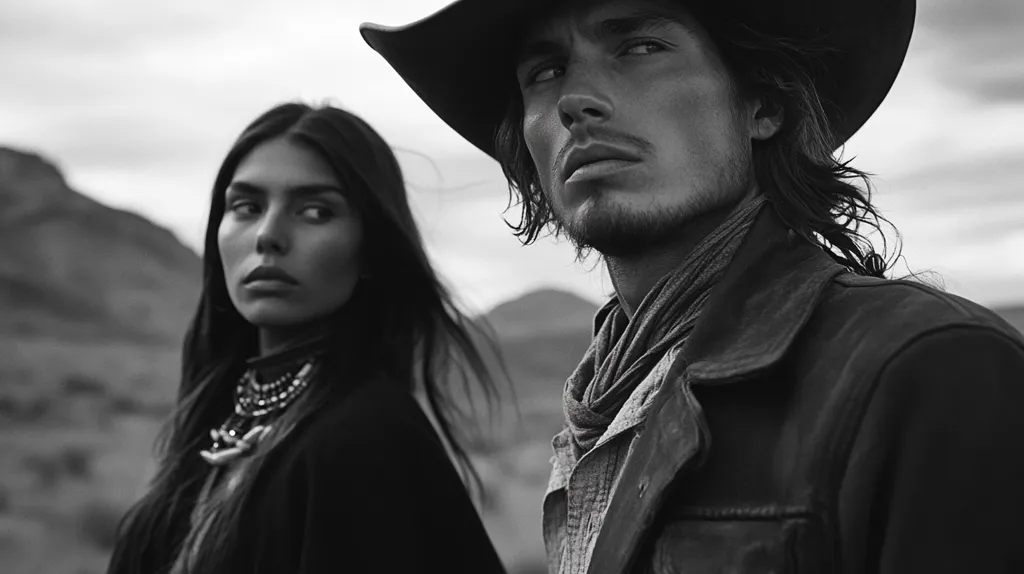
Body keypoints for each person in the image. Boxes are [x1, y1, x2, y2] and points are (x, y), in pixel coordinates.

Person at [360, 1, 1024, 572]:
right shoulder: (600, 409)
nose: (573, 101)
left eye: (640, 47)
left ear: (761, 104)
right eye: (545, 71)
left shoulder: (933, 370)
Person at [106, 103, 507, 574]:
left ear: (371, 250)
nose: (268, 235)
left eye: (315, 211)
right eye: (247, 207)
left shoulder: (367, 437)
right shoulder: (214, 424)